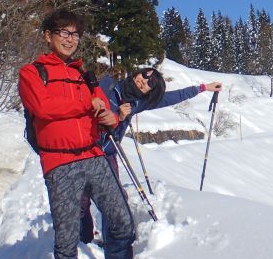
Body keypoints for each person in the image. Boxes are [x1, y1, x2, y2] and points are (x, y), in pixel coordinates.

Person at [18, 9, 134, 259]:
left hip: (93, 155)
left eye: (75, 34)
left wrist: (109, 118)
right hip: (59, 164)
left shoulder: (85, 74)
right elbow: (43, 107)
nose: (70, 40)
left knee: (121, 220)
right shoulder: (32, 73)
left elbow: (100, 110)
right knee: (66, 242)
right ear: (48, 36)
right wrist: (87, 102)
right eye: (63, 33)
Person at [79, 67, 222, 243]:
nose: (143, 81)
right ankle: (83, 243)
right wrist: (118, 116)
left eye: (149, 84)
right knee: (80, 202)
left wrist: (203, 88)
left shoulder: (138, 102)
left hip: (107, 155)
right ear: (136, 73)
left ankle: (112, 247)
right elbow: (85, 115)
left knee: (116, 202)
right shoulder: (108, 86)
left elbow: (171, 97)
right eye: (144, 76)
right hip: (83, 152)